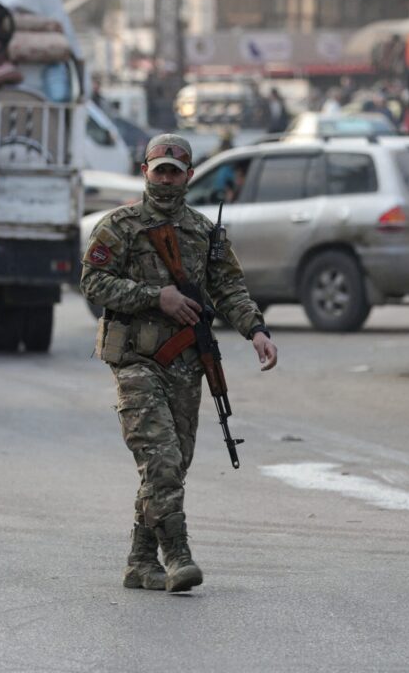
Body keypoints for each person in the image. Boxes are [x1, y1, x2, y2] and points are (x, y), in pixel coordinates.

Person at [81, 134, 278, 594]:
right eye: (159, 170)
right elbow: (93, 282)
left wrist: (257, 331)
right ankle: (178, 556)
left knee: (172, 464)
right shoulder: (120, 226)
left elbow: (229, 288)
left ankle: (140, 561)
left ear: (190, 176)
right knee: (162, 459)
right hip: (135, 359)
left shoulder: (205, 232)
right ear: (145, 172)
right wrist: (156, 297)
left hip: (186, 362)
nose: (166, 179)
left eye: (175, 171)